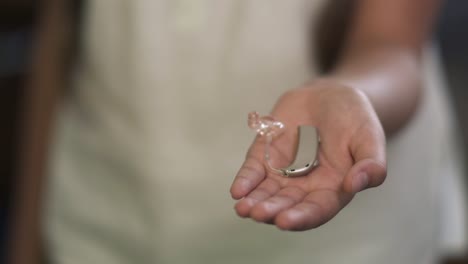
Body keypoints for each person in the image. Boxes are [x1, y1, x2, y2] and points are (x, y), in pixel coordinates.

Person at [9, 0, 466, 263]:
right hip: (104, 222)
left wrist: (350, 95)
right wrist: (27, 233)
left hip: (342, 248)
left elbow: (392, 43)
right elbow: (62, 33)